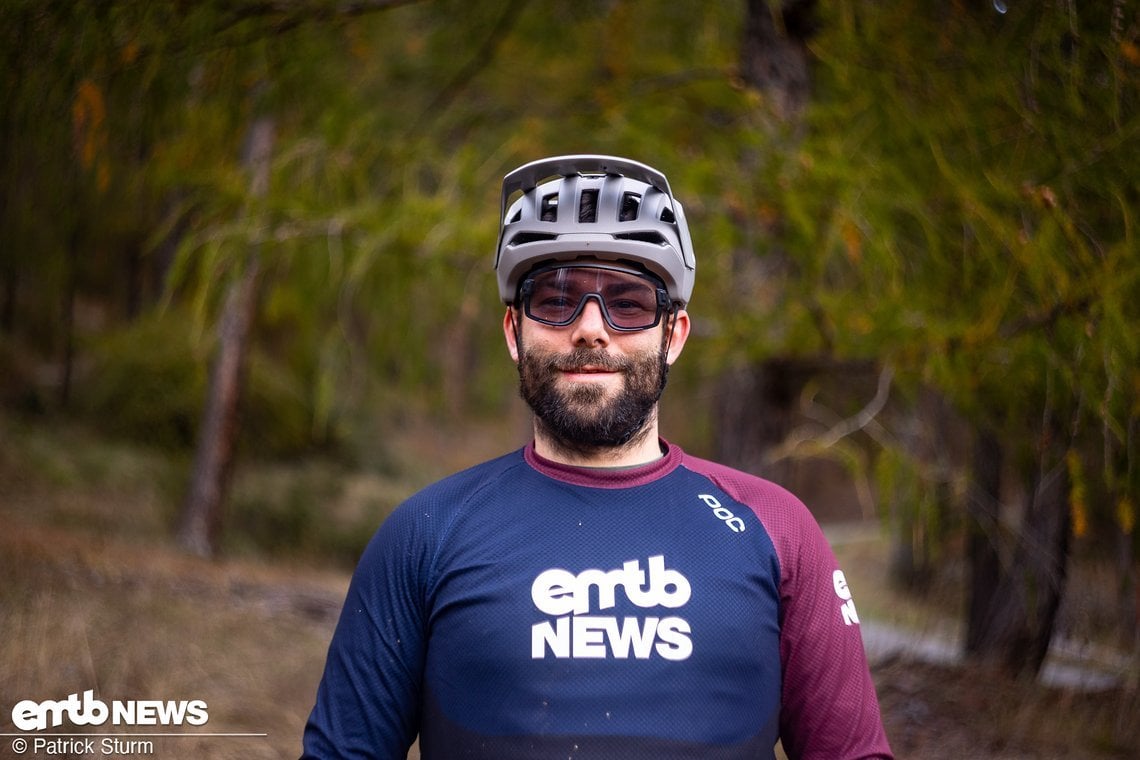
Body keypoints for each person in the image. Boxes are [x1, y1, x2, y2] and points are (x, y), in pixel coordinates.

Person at [302, 154, 893, 759]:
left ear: (675, 335)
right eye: (556, 300)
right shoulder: (423, 534)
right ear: (513, 331)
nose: (590, 328)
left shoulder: (779, 529)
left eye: (629, 302)